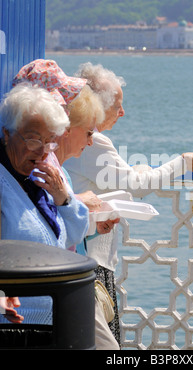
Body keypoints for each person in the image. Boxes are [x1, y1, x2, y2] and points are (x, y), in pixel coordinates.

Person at [64, 62, 193, 347]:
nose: (122, 112)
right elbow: (136, 184)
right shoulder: (95, 142)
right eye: (117, 104)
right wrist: (183, 163)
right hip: (90, 259)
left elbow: (121, 176)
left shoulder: (77, 138)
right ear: (97, 105)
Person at [12, 59, 120, 350]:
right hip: (31, 316)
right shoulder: (29, 171)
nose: (46, 147)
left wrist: (69, 202)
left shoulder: (46, 166)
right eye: (35, 138)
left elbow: (61, 234)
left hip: (59, 299)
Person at [0, 84, 89, 325]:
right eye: (33, 140)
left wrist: (65, 199)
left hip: (54, 320)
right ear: (7, 134)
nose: (42, 151)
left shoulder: (42, 175)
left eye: (49, 142)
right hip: (15, 326)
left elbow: (74, 236)